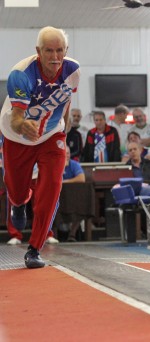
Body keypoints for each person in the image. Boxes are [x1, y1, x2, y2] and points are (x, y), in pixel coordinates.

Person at [0, 26, 80, 268]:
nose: (55, 58)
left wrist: (65, 123)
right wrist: (23, 126)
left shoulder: (72, 69)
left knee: (52, 187)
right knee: (16, 189)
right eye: (48, 51)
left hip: (51, 136)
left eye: (59, 51)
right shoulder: (21, 74)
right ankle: (18, 203)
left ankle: (34, 248)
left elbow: (67, 97)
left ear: (66, 51)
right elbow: (16, 118)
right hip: (17, 137)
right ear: (38, 51)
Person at [56, 148, 86, 242]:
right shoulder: (55, 164)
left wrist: (65, 181)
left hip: (72, 198)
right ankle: (53, 236)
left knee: (81, 207)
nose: (67, 155)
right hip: (58, 198)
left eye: (68, 153)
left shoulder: (74, 164)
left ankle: (72, 235)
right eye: (64, 153)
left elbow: (81, 178)